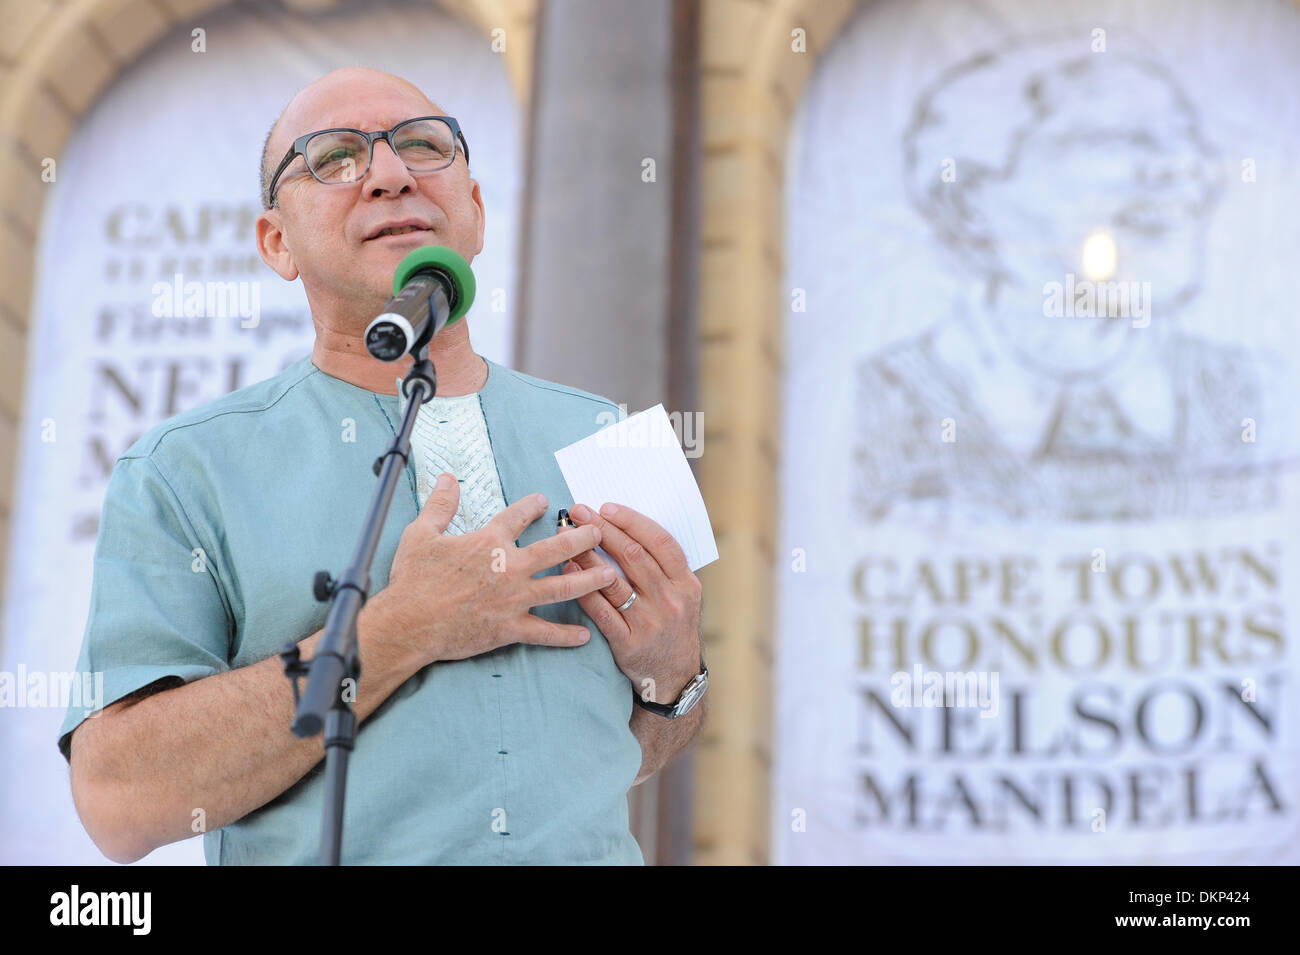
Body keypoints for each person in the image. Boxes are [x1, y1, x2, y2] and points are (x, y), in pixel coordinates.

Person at [58, 67, 706, 865]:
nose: (391, 174)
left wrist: (675, 679)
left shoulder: (613, 432)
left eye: (424, 145)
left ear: (475, 211)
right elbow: (119, 802)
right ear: (276, 243)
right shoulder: (182, 469)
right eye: (332, 158)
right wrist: (397, 632)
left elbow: (645, 740)